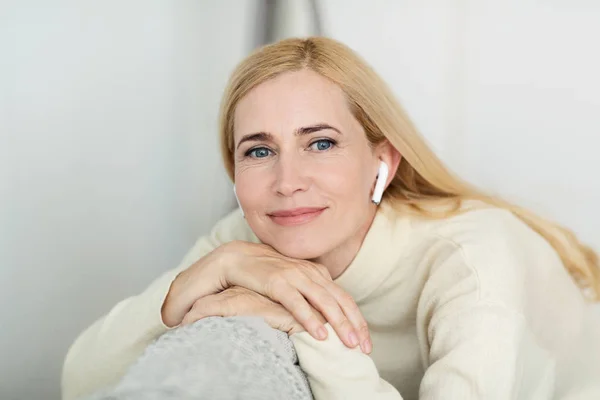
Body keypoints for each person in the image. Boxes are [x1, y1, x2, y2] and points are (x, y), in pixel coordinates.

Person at [62, 37, 600, 400]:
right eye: (257, 151)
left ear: (382, 163)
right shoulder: (247, 243)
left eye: (320, 142)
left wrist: (310, 324)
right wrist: (203, 273)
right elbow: (80, 380)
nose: (287, 180)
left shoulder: (473, 260)